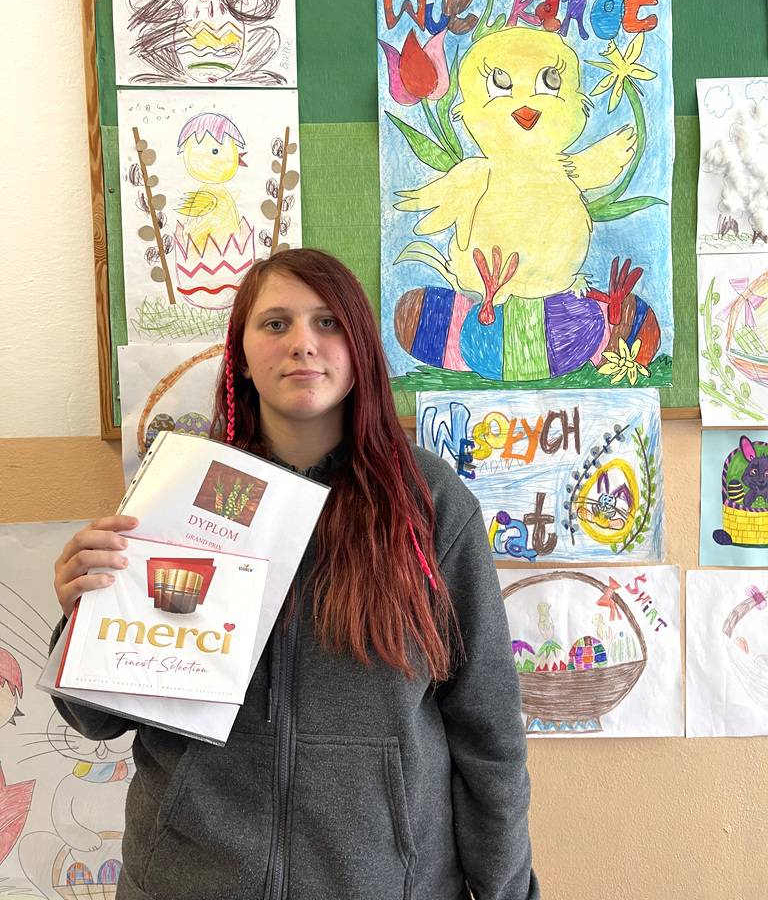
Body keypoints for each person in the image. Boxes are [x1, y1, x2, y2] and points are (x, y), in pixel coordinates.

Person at [51, 248, 539, 900]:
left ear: (360, 349)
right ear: (241, 356)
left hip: (383, 884)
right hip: (187, 880)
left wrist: (507, 891)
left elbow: (489, 735)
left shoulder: (428, 503)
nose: (303, 343)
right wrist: (81, 614)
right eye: (275, 323)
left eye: (328, 322)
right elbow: (96, 719)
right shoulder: (183, 491)